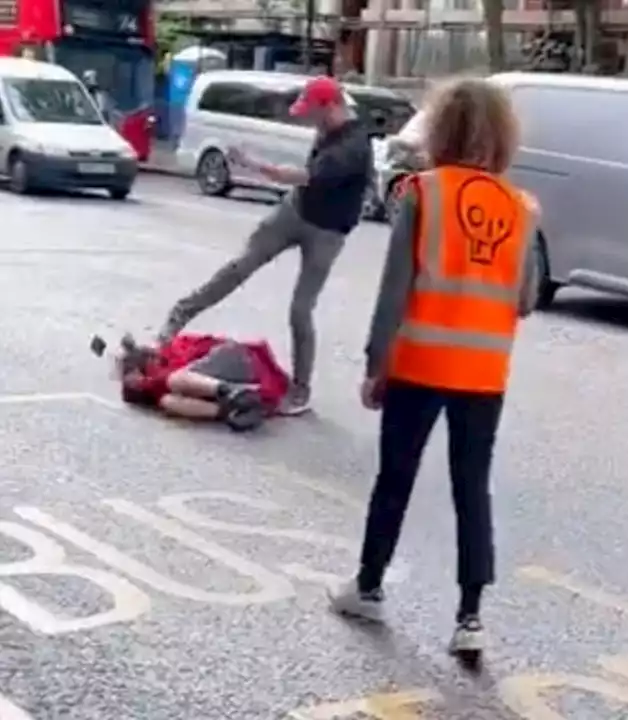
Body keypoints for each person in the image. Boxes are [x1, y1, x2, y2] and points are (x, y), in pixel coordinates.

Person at [326, 78, 540, 666]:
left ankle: (367, 587)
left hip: (419, 362)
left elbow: (395, 288)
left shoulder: (422, 193)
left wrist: (376, 363)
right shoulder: (520, 209)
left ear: (441, 130)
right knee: (471, 489)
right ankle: (470, 618)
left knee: (394, 478)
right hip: (484, 373)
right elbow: (525, 297)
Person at [157, 75, 373, 416]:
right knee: (240, 266)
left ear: (330, 107)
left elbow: (301, 175)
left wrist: (253, 164)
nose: (305, 118)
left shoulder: (354, 148)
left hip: (328, 233)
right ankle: (178, 316)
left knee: (300, 310)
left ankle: (301, 390)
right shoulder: (329, 124)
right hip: (295, 211)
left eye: (310, 111)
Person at [110, 333, 290, 431]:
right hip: (228, 378)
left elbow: (168, 378)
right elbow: (133, 396)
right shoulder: (156, 388)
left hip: (240, 362)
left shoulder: (173, 349)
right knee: (168, 402)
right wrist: (138, 384)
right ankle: (234, 409)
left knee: (175, 380)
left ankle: (233, 393)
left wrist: (144, 382)